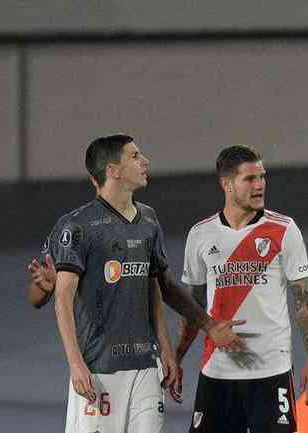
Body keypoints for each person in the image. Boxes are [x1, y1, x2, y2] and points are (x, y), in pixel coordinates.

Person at [48, 134, 244, 433]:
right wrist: (75, 363)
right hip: (99, 369)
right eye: (135, 156)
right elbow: (62, 299)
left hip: (145, 367)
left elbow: (156, 287)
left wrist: (167, 350)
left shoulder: (149, 220)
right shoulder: (77, 226)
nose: (145, 161)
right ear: (113, 170)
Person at [176, 144, 308, 433]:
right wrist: (176, 357)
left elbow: (303, 301)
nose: (259, 186)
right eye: (250, 179)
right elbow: (192, 306)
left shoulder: (284, 229)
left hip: (272, 369)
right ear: (226, 184)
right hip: (217, 369)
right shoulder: (200, 234)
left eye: (262, 177)